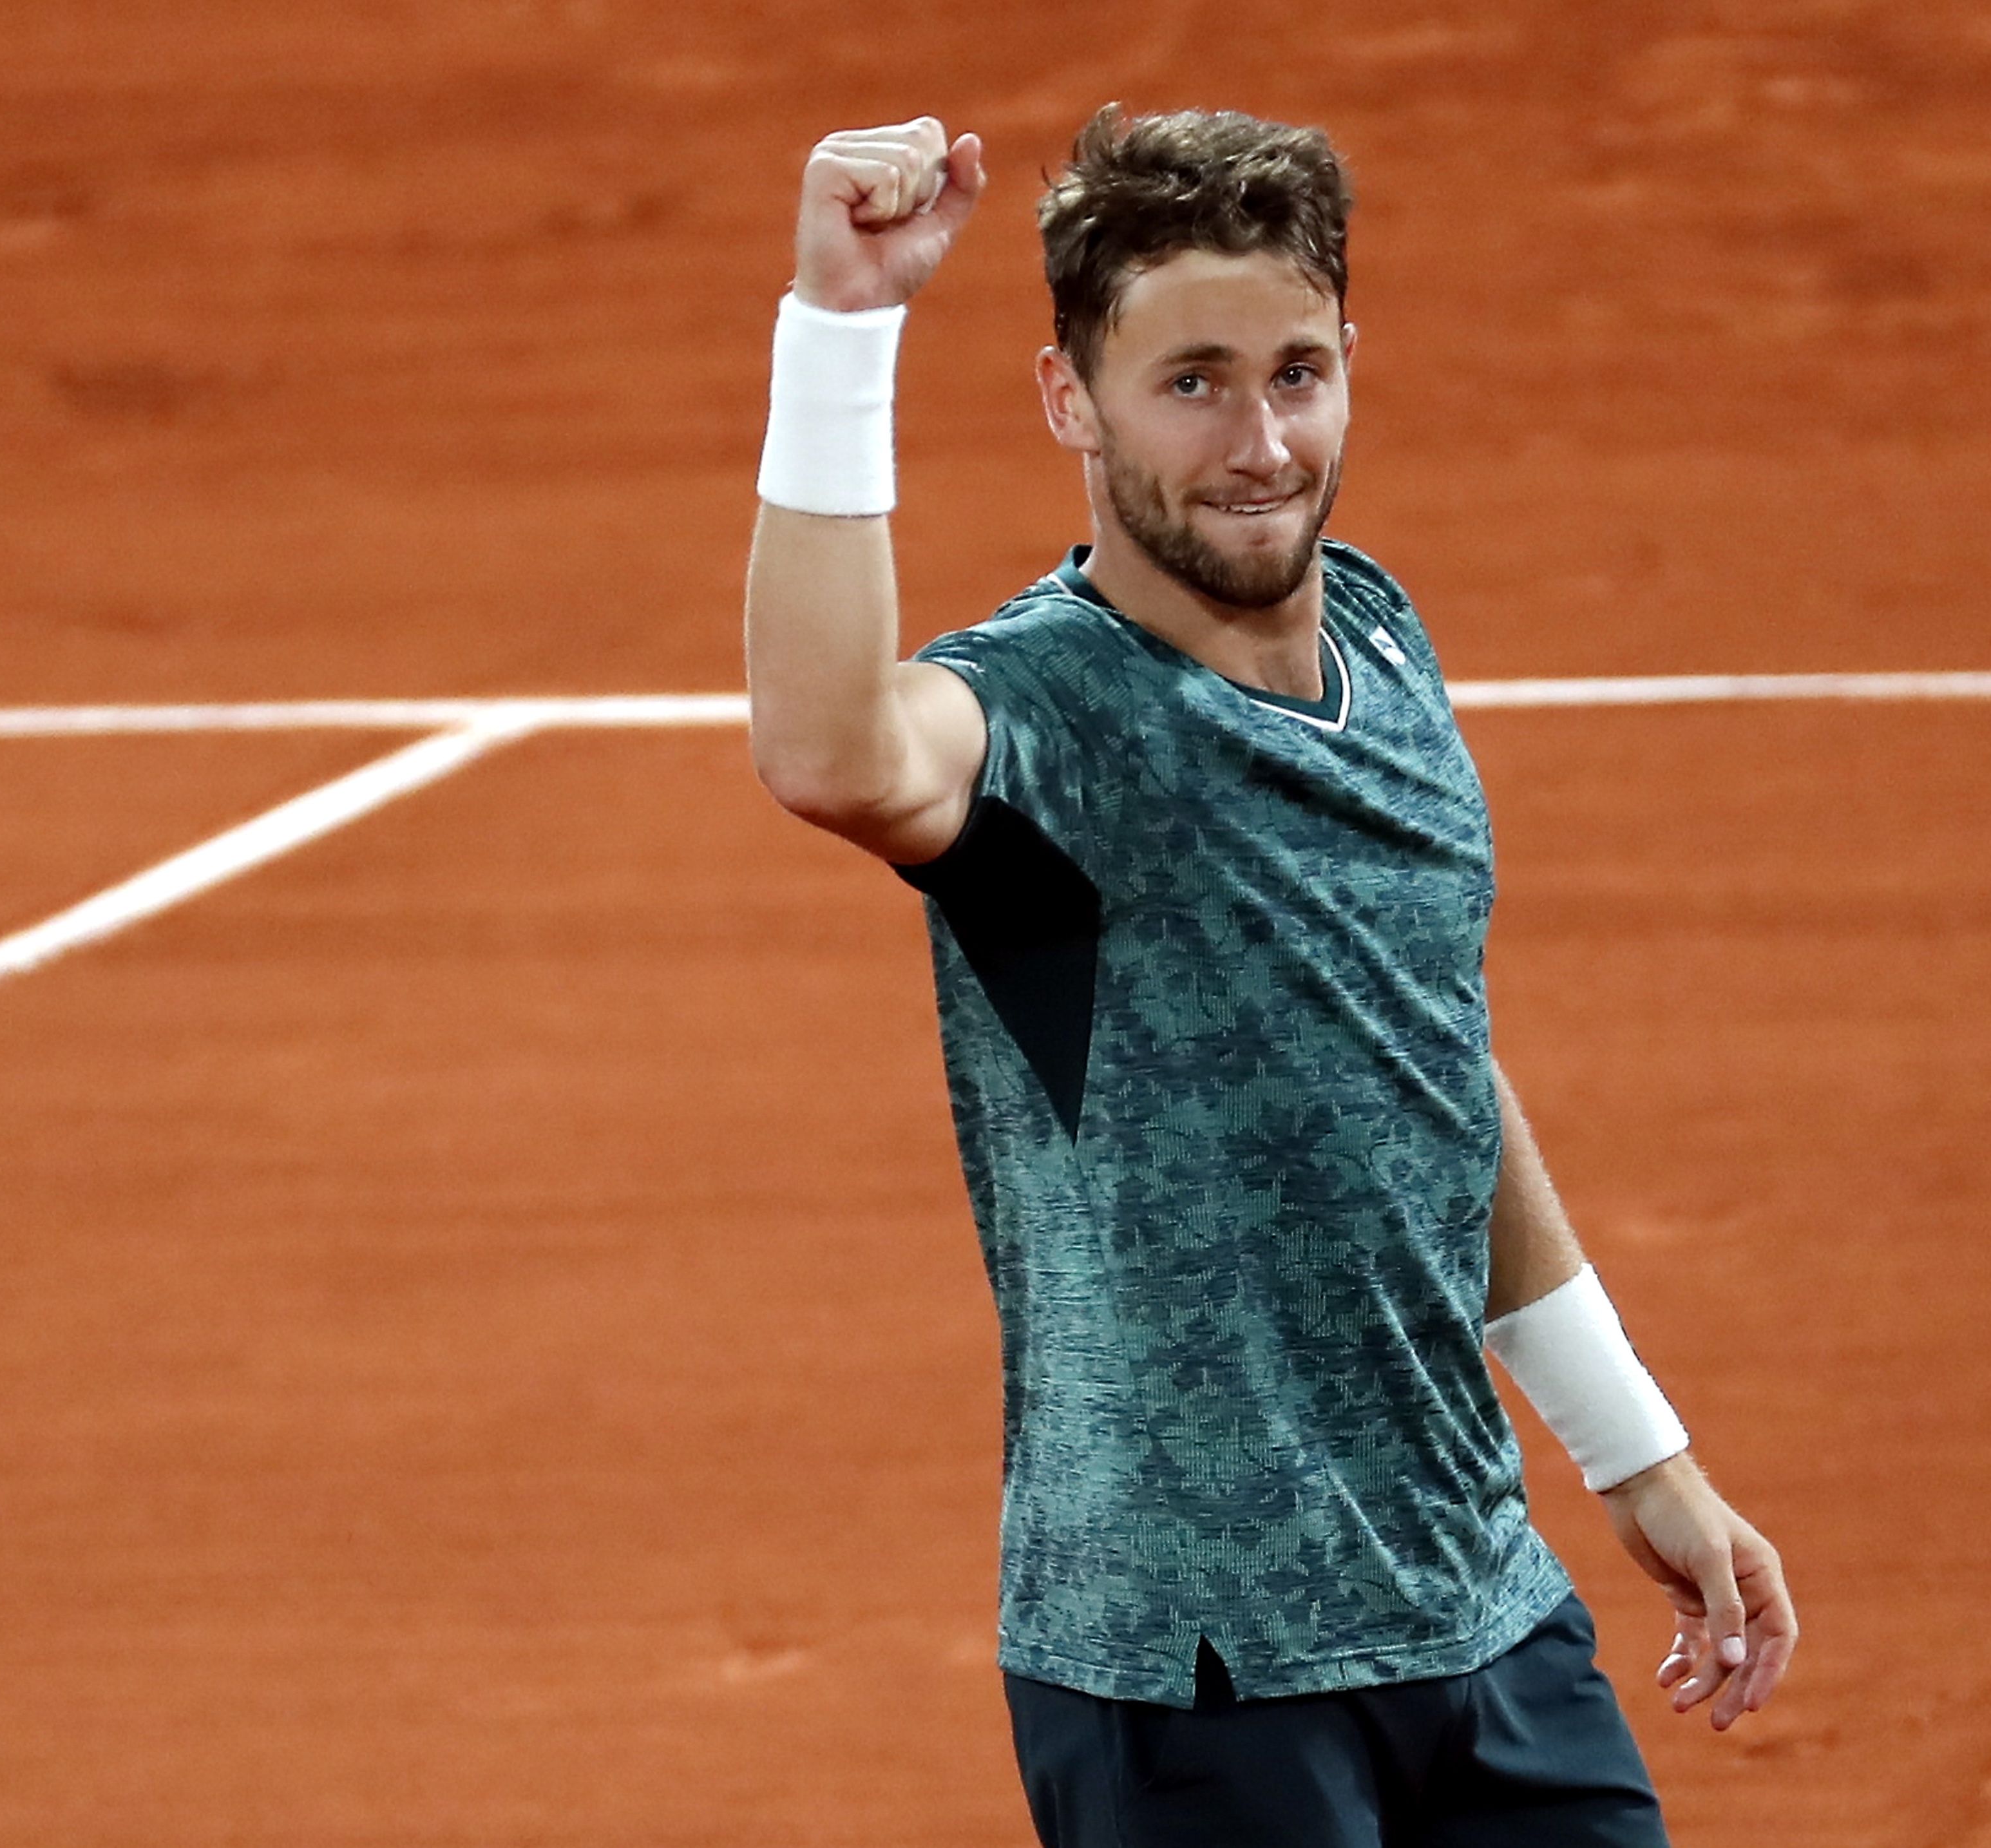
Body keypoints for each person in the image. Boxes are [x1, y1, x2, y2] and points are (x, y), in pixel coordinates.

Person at [742, 105, 1798, 1847]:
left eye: (1296, 375)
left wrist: (1634, 1450)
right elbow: (831, 749)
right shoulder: (1040, 728)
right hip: (1195, 1677)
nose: (1258, 442)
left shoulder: (1379, 635)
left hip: (1475, 1602)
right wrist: (841, 325)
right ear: (1068, 401)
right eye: (1190, 384)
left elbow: (1428, 1065)